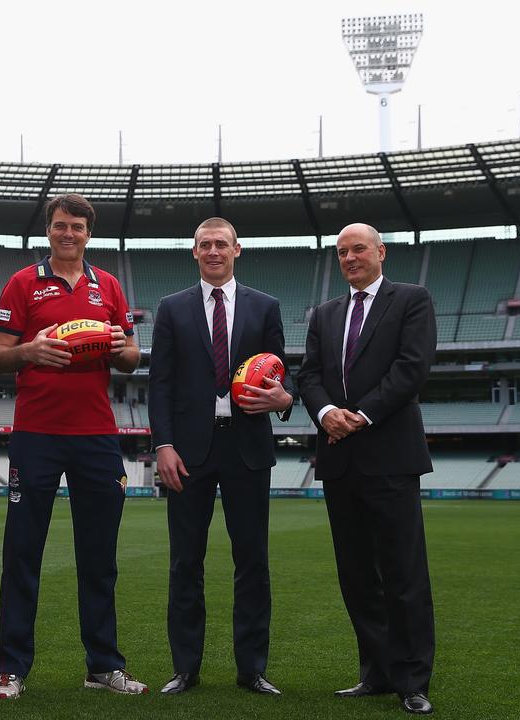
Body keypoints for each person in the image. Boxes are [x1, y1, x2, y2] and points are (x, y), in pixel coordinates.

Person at [0, 193, 146, 699]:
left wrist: (122, 346)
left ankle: (103, 666)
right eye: (60, 225)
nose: (68, 233)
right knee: (23, 553)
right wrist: (31, 350)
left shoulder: (110, 287)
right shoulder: (22, 283)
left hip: (97, 435)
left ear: (87, 233)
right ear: (48, 231)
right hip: (36, 433)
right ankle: (11, 668)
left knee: (99, 556)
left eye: (76, 226)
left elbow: (130, 356)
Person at [148, 217, 295, 696]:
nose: (213, 251)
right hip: (187, 451)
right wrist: (163, 445)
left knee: (252, 560)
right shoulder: (171, 309)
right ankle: (185, 668)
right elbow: (160, 384)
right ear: (194, 252)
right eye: (204, 245)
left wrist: (283, 399)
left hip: (246, 447)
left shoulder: (266, 306)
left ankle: (252, 668)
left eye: (221, 244)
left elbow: (278, 375)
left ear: (237, 249)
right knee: (184, 563)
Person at [295, 223, 437, 715]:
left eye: (358, 249)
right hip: (339, 459)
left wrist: (360, 414)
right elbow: (309, 374)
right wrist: (323, 413)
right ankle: (375, 673)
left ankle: (413, 680)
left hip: (391, 456)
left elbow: (412, 367)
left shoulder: (412, 299)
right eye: (342, 253)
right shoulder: (325, 314)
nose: (350, 258)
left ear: (381, 252)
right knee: (357, 575)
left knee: (404, 573)